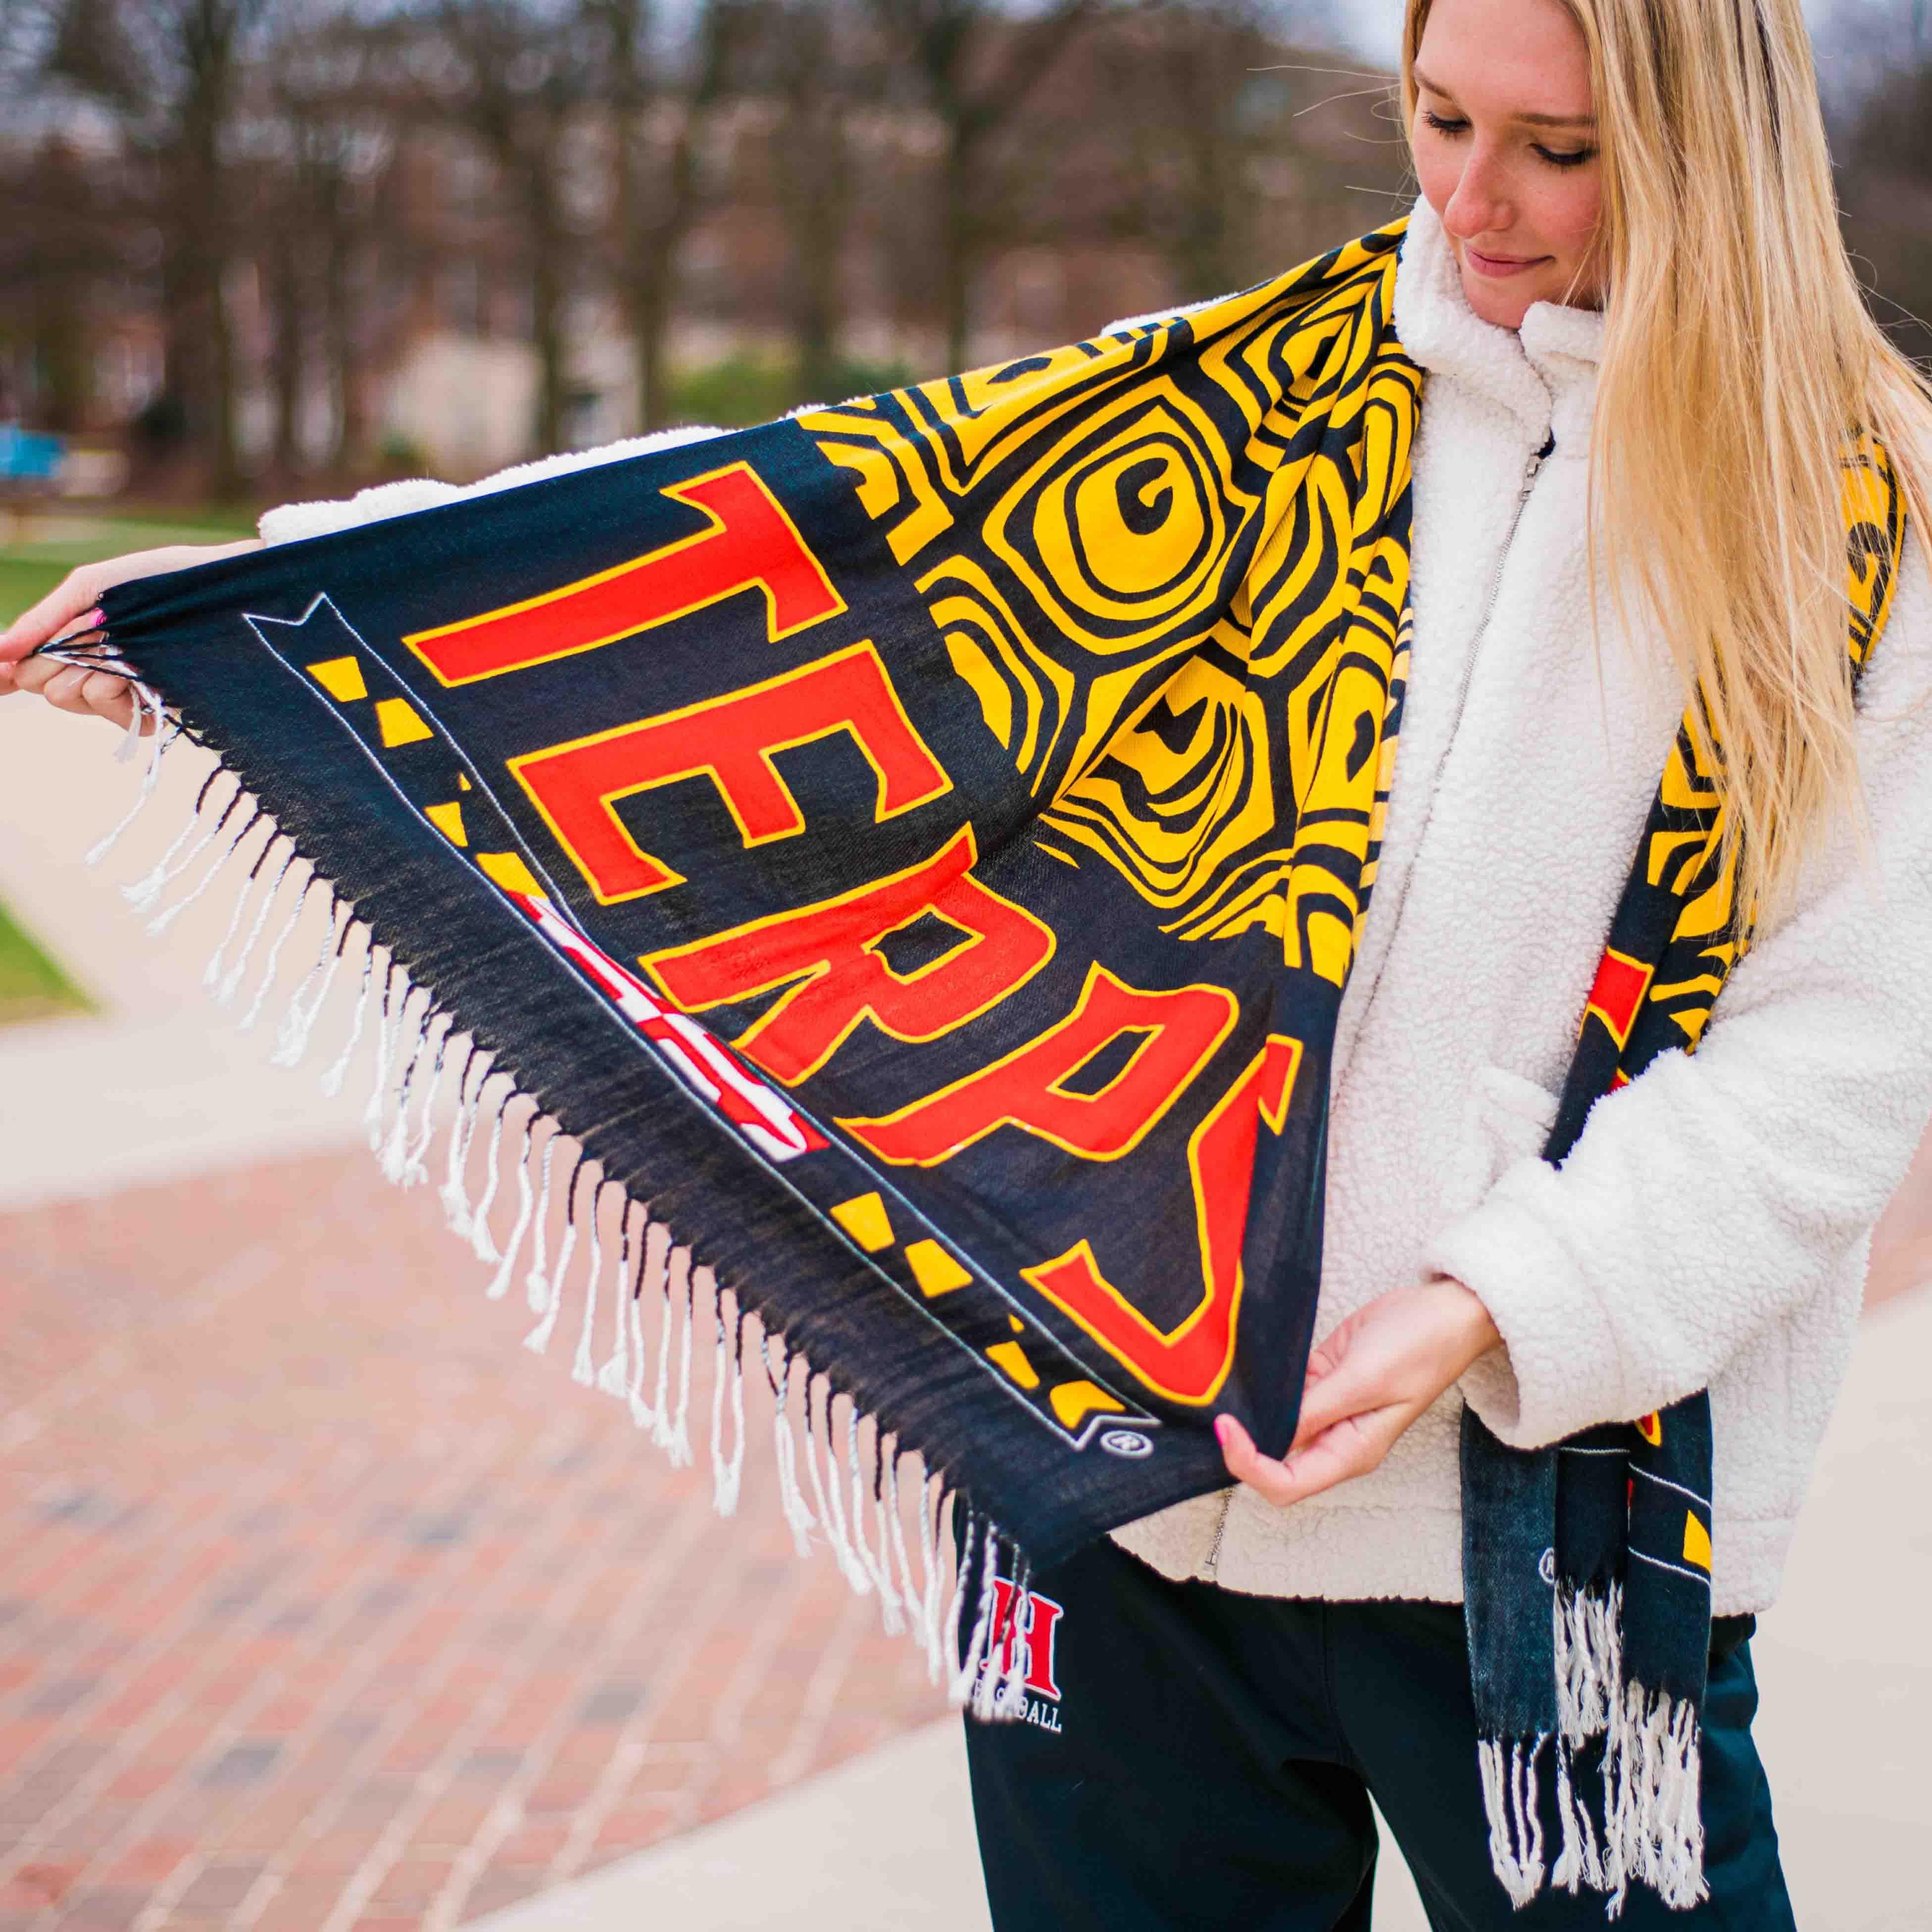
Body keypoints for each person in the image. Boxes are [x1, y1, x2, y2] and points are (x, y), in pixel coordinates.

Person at [4, 0, 1930, 1923]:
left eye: (1557, 150)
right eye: (1436, 118)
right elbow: (788, 541)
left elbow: (1836, 1057)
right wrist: (270, 602)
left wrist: (1492, 1301)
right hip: (1113, 1491)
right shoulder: (1260, 400)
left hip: (1546, 1532)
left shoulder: (1854, 518)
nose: (1470, 199)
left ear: (1710, 150)